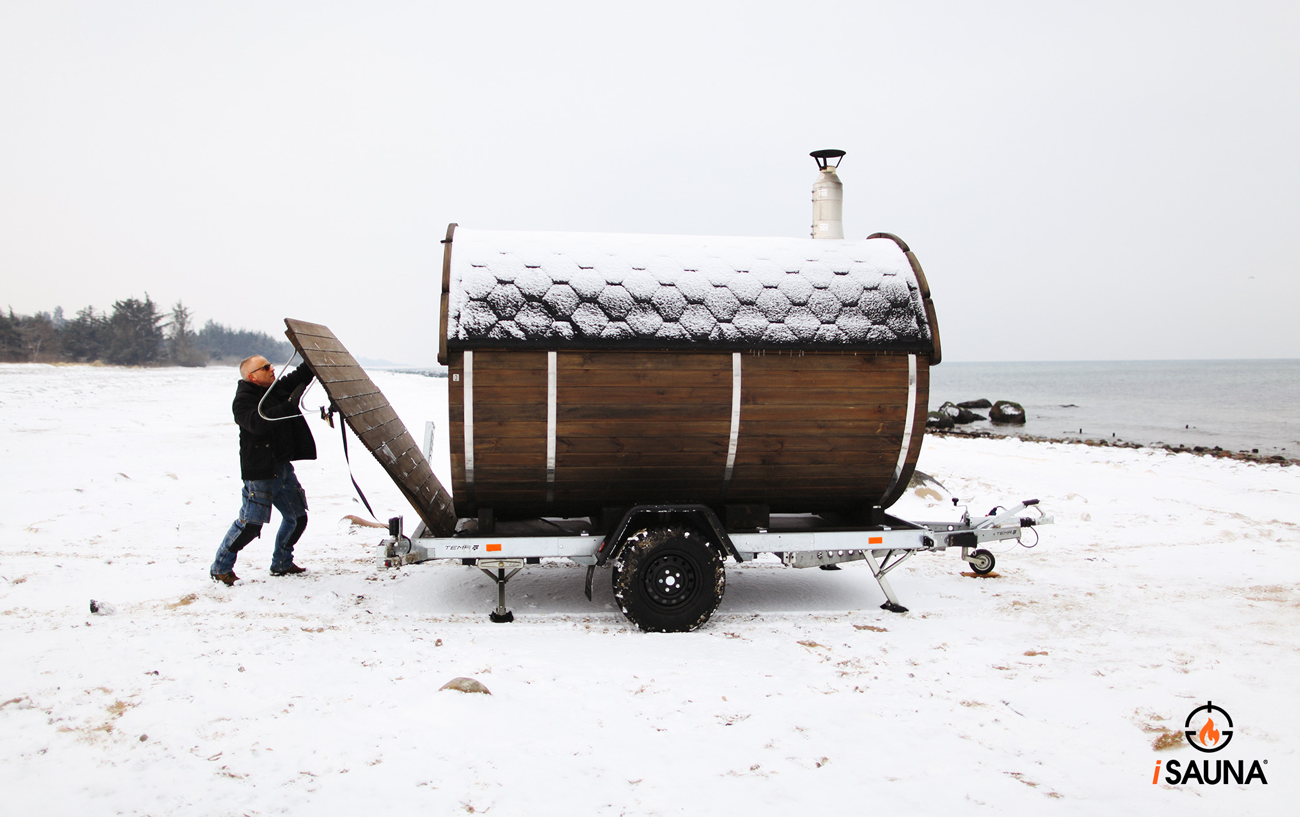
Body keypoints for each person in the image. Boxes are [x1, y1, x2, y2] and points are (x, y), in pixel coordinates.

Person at [210, 355, 317, 585]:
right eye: (265, 367)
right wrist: (288, 406)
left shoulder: (273, 389)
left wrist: (312, 358)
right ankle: (220, 568)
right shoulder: (242, 401)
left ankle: (282, 563)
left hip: (283, 469)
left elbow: (299, 376)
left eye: (271, 365)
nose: (271, 369)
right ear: (252, 376)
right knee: (250, 525)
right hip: (260, 474)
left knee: (297, 518)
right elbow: (259, 423)